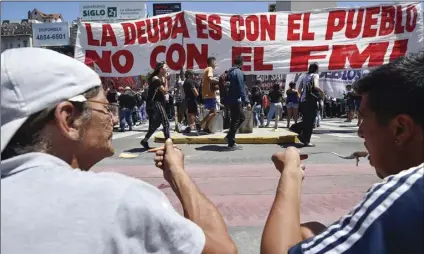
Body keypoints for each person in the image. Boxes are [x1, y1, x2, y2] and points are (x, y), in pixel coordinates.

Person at [1, 48, 237, 254]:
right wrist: (177, 173)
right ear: (69, 119)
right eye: (105, 107)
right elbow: (222, 250)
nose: (113, 118)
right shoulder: (117, 199)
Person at [261, 52, 424, 254]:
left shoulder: (401, 195)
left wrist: (290, 173)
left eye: (363, 118)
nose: (360, 131)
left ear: (400, 129)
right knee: (310, 232)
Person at [140, 62, 170, 149]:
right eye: (166, 67)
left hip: (159, 103)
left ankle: (144, 141)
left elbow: (165, 91)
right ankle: (169, 143)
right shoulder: (155, 79)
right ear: (161, 69)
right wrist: (166, 80)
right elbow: (165, 91)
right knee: (166, 122)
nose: (167, 69)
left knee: (155, 125)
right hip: (153, 103)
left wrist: (165, 79)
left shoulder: (162, 78)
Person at [294, 63, 324, 147]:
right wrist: (322, 92)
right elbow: (316, 86)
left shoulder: (304, 76)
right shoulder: (315, 75)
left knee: (306, 120)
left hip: (303, 101)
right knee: (310, 122)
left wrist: (301, 98)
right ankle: (305, 139)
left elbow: (299, 89)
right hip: (311, 101)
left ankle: (302, 136)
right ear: (316, 69)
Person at [225, 55, 249, 147]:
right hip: (235, 100)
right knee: (236, 120)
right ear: (241, 63)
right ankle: (230, 138)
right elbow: (241, 87)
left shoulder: (230, 71)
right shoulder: (238, 72)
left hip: (229, 99)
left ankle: (231, 138)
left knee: (240, 118)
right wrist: (245, 100)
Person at [200, 57, 220, 133]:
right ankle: (200, 123)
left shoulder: (206, 69)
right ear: (211, 62)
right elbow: (211, 79)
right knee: (214, 112)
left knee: (211, 112)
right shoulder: (210, 69)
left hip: (207, 94)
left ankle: (206, 128)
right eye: (215, 62)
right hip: (210, 94)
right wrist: (220, 81)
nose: (215, 64)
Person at [183, 69, 201, 134]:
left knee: (191, 113)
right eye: (192, 74)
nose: (193, 76)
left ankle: (191, 127)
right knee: (192, 114)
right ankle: (192, 128)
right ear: (189, 75)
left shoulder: (186, 81)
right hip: (192, 99)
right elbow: (195, 92)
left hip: (188, 99)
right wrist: (198, 94)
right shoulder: (190, 81)